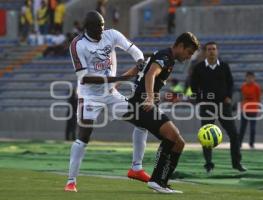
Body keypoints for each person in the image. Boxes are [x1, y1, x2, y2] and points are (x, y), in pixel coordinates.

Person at [64, 11, 150, 192]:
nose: (101, 30)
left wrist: (140, 61)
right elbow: (84, 78)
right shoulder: (77, 45)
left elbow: (133, 49)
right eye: (98, 27)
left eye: (103, 25)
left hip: (110, 93)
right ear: (88, 28)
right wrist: (121, 78)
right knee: (84, 137)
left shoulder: (111, 34)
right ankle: (71, 181)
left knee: (142, 122)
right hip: (89, 96)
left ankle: (136, 168)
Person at [124, 32, 200, 193]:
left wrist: (155, 94)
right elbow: (151, 74)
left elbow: (143, 72)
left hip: (141, 103)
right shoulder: (166, 56)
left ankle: (160, 182)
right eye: (189, 52)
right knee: (173, 136)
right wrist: (150, 98)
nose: (189, 57)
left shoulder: (165, 56)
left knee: (178, 142)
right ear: (180, 46)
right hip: (141, 104)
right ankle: (156, 181)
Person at [191, 41, 247, 173]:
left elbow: (230, 83)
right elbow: (193, 87)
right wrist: (200, 100)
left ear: (217, 51)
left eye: (214, 49)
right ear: (205, 52)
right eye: (209, 49)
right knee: (206, 137)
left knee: (234, 134)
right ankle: (208, 164)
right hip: (207, 106)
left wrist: (229, 97)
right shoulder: (198, 68)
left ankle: (237, 163)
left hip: (223, 105)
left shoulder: (224, 66)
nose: (211, 51)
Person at [239, 72, 261, 149]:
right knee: (242, 128)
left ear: (254, 78)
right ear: (246, 78)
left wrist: (257, 107)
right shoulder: (243, 87)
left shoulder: (256, 87)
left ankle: (251, 143)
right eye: (248, 78)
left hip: (253, 109)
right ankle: (239, 143)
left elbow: (258, 98)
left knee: (253, 128)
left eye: (251, 78)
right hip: (244, 109)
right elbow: (242, 97)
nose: (250, 79)